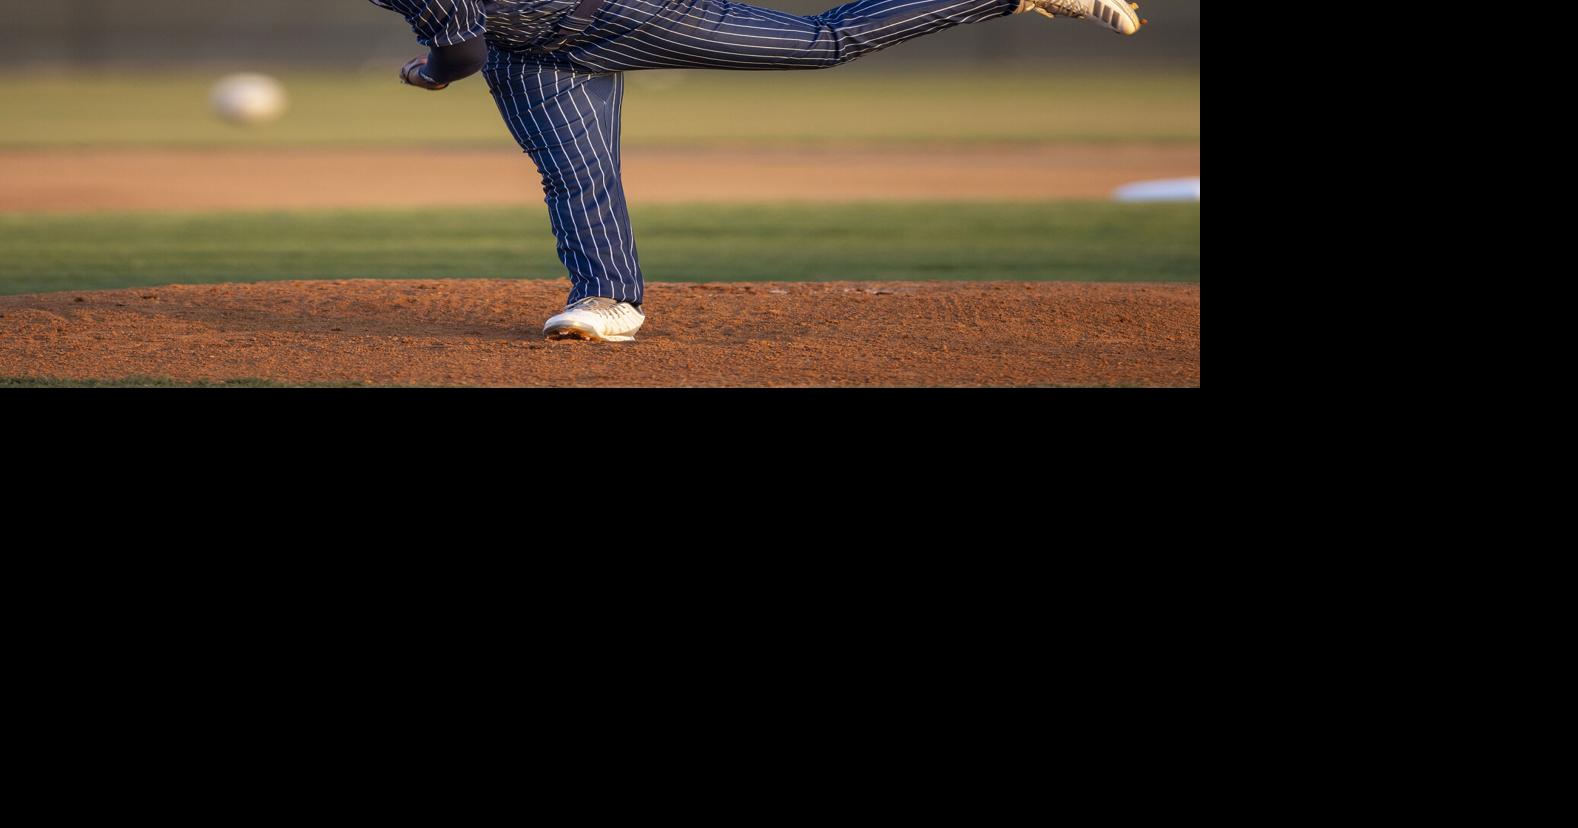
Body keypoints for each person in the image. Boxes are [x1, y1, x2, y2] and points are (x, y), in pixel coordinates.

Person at [370, 0, 1143, 342]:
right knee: (575, 174)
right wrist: (445, 61)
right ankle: (608, 299)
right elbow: (470, 38)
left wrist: (429, 76)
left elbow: (458, 56)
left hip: (630, 11)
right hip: (532, 54)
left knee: (821, 43)